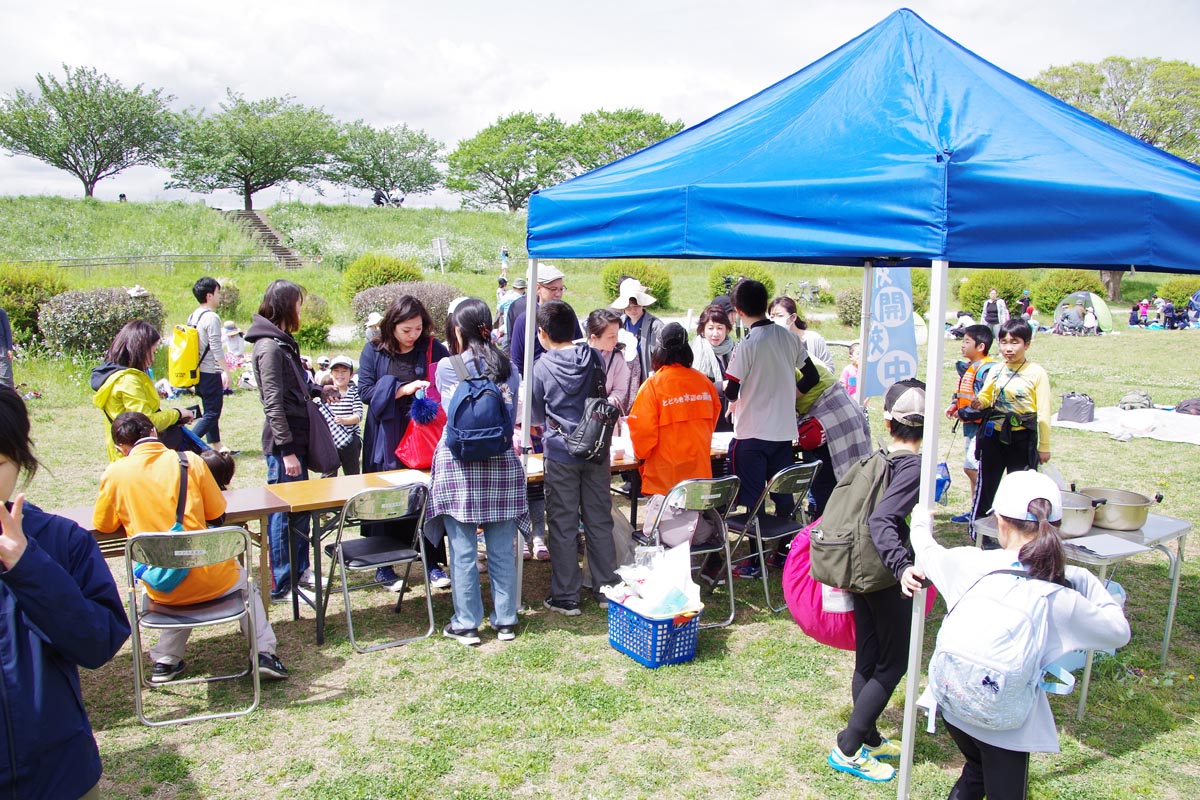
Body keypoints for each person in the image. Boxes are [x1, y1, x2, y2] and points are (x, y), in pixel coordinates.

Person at [906, 470, 1131, 800]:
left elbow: (926, 550)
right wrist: (1082, 578)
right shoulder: (1058, 597)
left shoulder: (966, 562)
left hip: (952, 701)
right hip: (1004, 720)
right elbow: (1118, 633)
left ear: (999, 520)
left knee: (976, 768)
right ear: (1056, 527)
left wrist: (919, 522)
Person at [0, 385, 129, 800]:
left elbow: (99, 642)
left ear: (19, 460)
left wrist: (28, 566)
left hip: (59, 772)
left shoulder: (61, 540)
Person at [94, 412, 288, 683]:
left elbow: (103, 525)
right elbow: (216, 511)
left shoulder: (115, 473)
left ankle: (166, 659)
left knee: (178, 578)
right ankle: (264, 653)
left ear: (121, 447)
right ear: (154, 431)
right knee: (244, 583)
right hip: (211, 579)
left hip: (162, 585)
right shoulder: (189, 461)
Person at [826, 380, 925, 784]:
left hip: (861, 569)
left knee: (867, 659)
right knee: (893, 662)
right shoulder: (915, 467)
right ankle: (847, 747)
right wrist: (903, 567)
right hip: (885, 574)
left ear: (887, 421)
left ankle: (868, 737)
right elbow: (882, 519)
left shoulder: (880, 457)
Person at [429, 298, 527, 645]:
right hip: (501, 462)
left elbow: (448, 413)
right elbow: (512, 412)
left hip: (459, 464)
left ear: (458, 328)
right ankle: (505, 620)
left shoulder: (447, 366)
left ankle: (467, 623)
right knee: (501, 548)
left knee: (463, 551)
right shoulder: (509, 368)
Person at [357, 294, 451, 590]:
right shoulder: (374, 350)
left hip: (424, 433)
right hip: (386, 435)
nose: (413, 336)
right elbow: (366, 392)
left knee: (426, 495)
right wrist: (402, 388)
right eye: (406, 330)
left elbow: (450, 382)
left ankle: (432, 561)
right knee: (386, 498)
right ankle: (383, 565)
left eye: (418, 329)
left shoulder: (434, 348)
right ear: (391, 326)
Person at [531, 299, 618, 615]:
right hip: (597, 449)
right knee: (599, 520)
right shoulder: (594, 356)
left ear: (542, 334)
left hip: (560, 452)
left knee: (563, 524)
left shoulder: (541, 367)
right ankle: (607, 588)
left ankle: (566, 596)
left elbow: (536, 414)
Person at [245, 280, 329, 601]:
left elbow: (297, 387)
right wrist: (287, 451)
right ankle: (282, 581)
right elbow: (273, 404)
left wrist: (321, 390)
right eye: (297, 304)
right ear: (284, 306)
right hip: (286, 446)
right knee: (282, 513)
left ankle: (300, 569)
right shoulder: (267, 347)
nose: (300, 310)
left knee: (302, 509)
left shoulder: (283, 342)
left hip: (300, 438)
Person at [725, 280, 810, 524]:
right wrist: (792, 394)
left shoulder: (748, 345)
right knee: (783, 495)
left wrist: (731, 397)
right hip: (782, 433)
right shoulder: (788, 338)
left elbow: (732, 389)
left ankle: (755, 556)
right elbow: (811, 376)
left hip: (751, 433)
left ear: (738, 311)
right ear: (765, 304)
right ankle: (784, 549)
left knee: (752, 499)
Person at [967, 318, 1052, 544]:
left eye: (1014, 342)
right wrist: (979, 403)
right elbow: (986, 395)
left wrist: (1044, 447)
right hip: (994, 436)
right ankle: (979, 533)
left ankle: (1022, 537)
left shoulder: (1036, 373)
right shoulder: (996, 369)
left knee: (1022, 489)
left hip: (1023, 438)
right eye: (1004, 342)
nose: (1008, 348)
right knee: (987, 486)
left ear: (1027, 344)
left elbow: (1043, 413)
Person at [627, 322, 722, 500]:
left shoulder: (653, 386)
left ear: (659, 351)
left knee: (668, 527)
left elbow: (642, 434)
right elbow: (711, 423)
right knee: (695, 525)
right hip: (699, 477)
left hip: (665, 481)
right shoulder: (705, 383)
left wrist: (641, 457)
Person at [91, 320, 196, 461]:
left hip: (123, 453)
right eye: (152, 351)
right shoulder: (128, 381)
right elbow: (146, 422)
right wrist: (177, 414)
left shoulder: (113, 375)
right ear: (140, 350)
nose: (153, 358)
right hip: (138, 456)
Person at [792, 358, 872, 526]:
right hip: (843, 411)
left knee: (830, 488)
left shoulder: (783, 360)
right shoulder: (796, 352)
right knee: (852, 479)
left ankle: (830, 532)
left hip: (829, 421)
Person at [944, 325, 997, 524]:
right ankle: (976, 509)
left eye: (967, 341)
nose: (962, 345)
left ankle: (981, 510)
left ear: (981, 346)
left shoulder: (987, 370)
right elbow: (966, 394)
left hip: (981, 429)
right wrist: (955, 405)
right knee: (971, 468)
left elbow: (985, 402)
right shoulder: (971, 367)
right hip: (970, 426)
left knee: (973, 468)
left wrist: (964, 412)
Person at [508, 263, 582, 377]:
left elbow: (579, 344)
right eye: (553, 289)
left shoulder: (567, 314)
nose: (558, 294)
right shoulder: (525, 320)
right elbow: (517, 360)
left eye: (561, 289)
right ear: (538, 288)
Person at [188, 277, 231, 452]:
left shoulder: (193, 315)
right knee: (213, 413)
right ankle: (187, 444)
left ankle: (217, 445)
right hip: (209, 371)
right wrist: (226, 371)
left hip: (197, 371)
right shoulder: (211, 317)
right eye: (218, 292)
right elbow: (215, 347)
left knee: (209, 410)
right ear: (209, 295)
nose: (219, 296)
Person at [690, 304, 736, 433]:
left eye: (720, 328)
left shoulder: (732, 348)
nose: (715, 333)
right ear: (703, 330)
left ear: (727, 330)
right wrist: (721, 386)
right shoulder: (696, 351)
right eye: (710, 328)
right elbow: (695, 387)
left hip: (730, 412)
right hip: (706, 414)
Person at [585, 308, 641, 415]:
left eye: (617, 335)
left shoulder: (616, 357)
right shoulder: (577, 354)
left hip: (603, 417)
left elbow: (620, 390)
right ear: (594, 337)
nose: (616, 340)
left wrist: (606, 405)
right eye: (611, 337)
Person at [613, 278, 665, 381]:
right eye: (628, 307)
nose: (632, 310)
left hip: (648, 378)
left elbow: (661, 356)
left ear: (642, 304)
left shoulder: (655, 325)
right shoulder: (619, 323)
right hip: (625, 377)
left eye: (636, 306)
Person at [319, 355, 363, 477]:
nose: (340, 375)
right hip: (330, 441)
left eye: (344, 371)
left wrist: (345, 420)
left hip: (350, 440)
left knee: (352, 473)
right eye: (336, 371)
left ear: (351, 375)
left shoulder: (354, 393)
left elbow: (358, 416)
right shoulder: (325, 393)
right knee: (328, 474)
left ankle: (353, 495)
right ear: (331, 374)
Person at [769, 296, 835, 370]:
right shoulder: (773, 342)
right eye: (772, 316)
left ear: (793, 317)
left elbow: (829, 367)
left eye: (780, 315)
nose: (775, 320)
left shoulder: (814, 339)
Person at [0, 304, 13, 388]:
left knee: (6, 375)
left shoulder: (1, 312)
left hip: (2, 347)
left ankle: (7, 396)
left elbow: (7, 331)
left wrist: (9, 349)